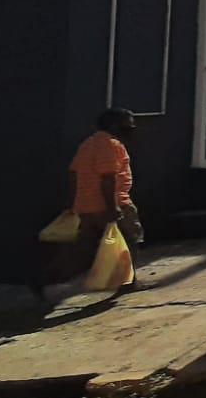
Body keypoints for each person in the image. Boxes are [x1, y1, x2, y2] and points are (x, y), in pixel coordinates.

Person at [58, 108, 144, 288]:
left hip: (86, 207)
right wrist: (113, 208)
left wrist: (75, 203)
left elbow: (73, 174)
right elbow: (108, 178)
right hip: (113, 203)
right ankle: (128, 283)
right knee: (130, 241)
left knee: (87, 249)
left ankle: (48, 278)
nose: (132, 129)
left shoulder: (87, 144)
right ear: (114, 125)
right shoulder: (110, 145)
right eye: (128, 126)